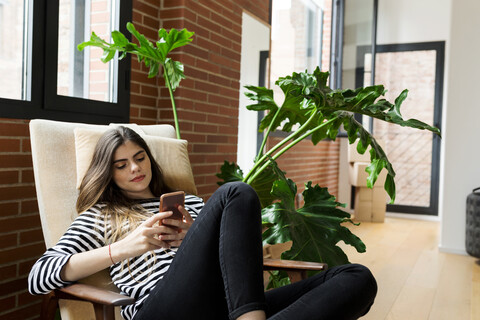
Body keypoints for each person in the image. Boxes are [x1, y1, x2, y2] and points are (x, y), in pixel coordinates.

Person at [28, 126, 377, 320]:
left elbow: (240, 266)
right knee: (236, 192)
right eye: (121, 165)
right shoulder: (102, 215)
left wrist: (195, 236)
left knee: (356, 277)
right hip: (162, 310)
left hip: (227, 307)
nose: (135, 168)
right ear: (108, 172)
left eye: (139, 158)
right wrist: (126, 246)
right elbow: (39, 276)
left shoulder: (190, 204)